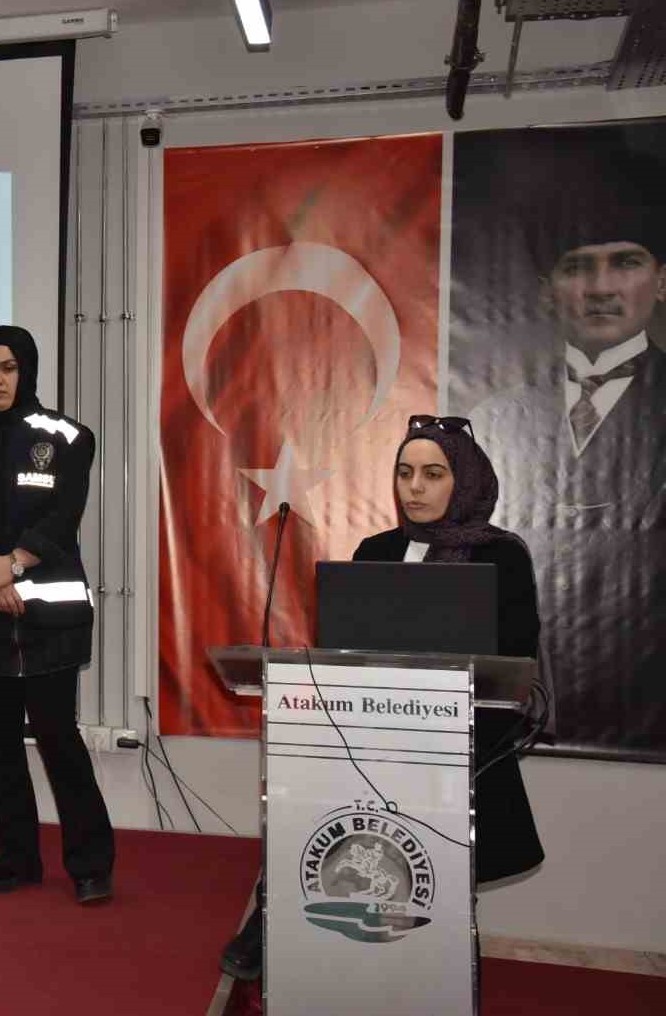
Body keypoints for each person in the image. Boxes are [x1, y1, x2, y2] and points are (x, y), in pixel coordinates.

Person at [219, 414, 544, 980]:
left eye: (433, 474)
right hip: (369, 736)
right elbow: (341, 650)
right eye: (404, 473)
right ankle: (272, 928)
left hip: (459, 744)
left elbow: (514, 659)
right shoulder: (375, 548)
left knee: (439, 863)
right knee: (306, 801)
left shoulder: (503, 556)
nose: (414, 487)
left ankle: (440, 955)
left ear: (464, 480)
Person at [470, 174, 666, 753]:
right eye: (578, 267)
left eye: (625, 263)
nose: (600, 287)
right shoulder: (496, 417)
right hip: (533, 704)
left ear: (661, 281)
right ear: (545, 291)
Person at [0, 324, 114, 904]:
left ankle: (90, 866)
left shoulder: (69, 436)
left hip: (49, 623)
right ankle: (16, 859)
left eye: (7, 368)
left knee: (59, 741)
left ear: (26, 371)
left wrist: (12, 565)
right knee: (1, 745)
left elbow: (62, 516)